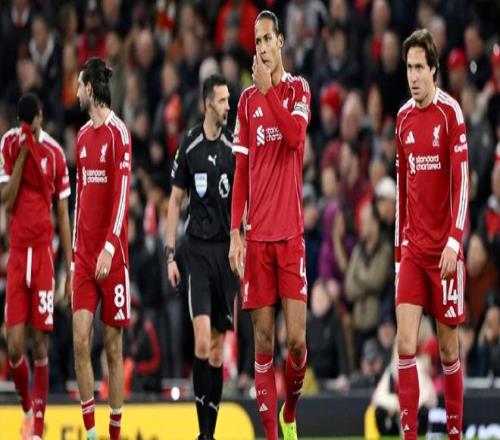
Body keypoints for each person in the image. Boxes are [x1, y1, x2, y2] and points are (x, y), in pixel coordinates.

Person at [229, 10, 311, 440]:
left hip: (291, 235)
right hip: (257, 238)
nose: (261, 47)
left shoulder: (298, 89)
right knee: (263, 344)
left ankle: (290, 412)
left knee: (295, 343)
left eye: (267, 39)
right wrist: (235, 232)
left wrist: (270, 93)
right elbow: (241, 171)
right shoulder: (245, 102)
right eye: (256, 41)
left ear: (280, 41)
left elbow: (295, 138)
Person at [395, 29, 469, 439]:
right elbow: (401, 194)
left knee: (447, 349)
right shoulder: (402, 119)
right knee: (405, 344)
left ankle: (454, 434)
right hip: (412, 251)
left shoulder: (450, 114)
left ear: (434, 70)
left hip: (445, 253)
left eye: (419, 67)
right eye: (408, 67)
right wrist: (397, 256)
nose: (413, 76)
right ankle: (410, 435)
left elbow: (463, 183)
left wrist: (455, 241)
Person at [166, 74, 237, 440]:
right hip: (196, 252)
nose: (228, 107)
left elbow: (243, 201)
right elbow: (175, 201)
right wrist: (169, 255)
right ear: (209, 103)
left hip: (226, 254)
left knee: (218, 351)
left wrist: (242, 245)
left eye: (229, 100)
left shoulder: (233, 147)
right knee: (202, 341)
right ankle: (203, 433)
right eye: (223, 101)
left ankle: (210, 431)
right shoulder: (190, 144)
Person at [0, 93, 72, 440]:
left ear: (41, 117)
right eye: (24, 125)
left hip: (43, 253)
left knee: (40, 342)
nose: (29, 128)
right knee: (14, 344)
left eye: (33, 122)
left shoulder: (55, 154)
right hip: (17, 254)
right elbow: (6, 200)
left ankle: (38, 427)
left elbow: (63, 213)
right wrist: (23, 154)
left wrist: (70, 267)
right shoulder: (9, 145)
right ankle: (27, 409)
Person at [72, 58, 131, 440]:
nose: (76, 92)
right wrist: (73, 257)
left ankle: (114, 433)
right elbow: (80, 199)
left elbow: (122, 195)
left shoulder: (118, 133)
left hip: (113, 258)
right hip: (83, 257)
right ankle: (92, 435)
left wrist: (110, 247)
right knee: (80, 339)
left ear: (90, 89)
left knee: (112, 347)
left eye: (80, 85)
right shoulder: (81, 137)